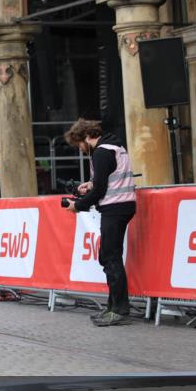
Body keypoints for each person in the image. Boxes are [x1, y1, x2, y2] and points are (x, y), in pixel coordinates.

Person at [64, 119, 137, 327]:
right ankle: (113, 306)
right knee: (108, 255)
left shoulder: (101, 152)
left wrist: (77, 206)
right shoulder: (116, 147)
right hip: (124, 206)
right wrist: (91, 184)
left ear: (86, 137)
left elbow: (100, 191)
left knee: (111, 258)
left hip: (114, 208)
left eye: (79, 144)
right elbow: (106, 181)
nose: (80, 148)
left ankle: (119, 310)